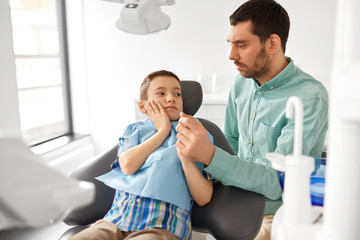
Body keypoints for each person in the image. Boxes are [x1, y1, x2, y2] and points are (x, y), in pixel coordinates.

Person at [175, 0, 328, 239]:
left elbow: (277, 183)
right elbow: (232, 143)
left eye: (242, 45)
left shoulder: (309, 98)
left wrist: (210, 155)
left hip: (272, 212)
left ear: (273, 43)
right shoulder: (241, 83)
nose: (231, 55)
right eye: (231, 44)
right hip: (232, 200)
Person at [69, 70, 214, 240]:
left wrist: (184, 157)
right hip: (115, 222)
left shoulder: (195, 134)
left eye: (177, 94)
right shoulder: (133, 130)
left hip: (162, 226)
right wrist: (163, 131)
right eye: (161, 93)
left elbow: (203, 197)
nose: (170, 98)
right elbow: (128, 166)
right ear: (143, 106)